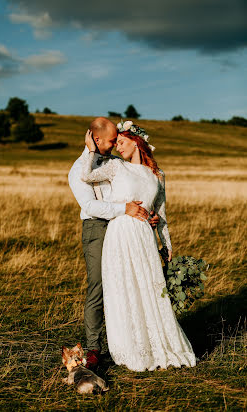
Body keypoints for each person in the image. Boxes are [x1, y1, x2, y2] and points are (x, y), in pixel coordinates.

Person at [80, 119, 196, 371]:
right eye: (116, 142)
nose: (118, 148)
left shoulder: (158, 175)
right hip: (119, 233)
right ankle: (129, 346)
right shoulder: (116, 168)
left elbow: (161, 213)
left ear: (136, 142)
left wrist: (166, 245)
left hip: (143, 236)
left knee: (149, 287)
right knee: (123, 289)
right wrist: (90, 149)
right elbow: (86, 175)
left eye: (122, 142)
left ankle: (157, 343)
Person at [68, 117, 160, 370]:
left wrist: (145, 214)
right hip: (98, 228)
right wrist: (125, 209)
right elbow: (90, 205)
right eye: (111, 140)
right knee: (98, 286)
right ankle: (95, 347)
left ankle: (134, 341)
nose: (115, 144)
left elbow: (134, 191)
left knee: (130, 283)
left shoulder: (117, 163)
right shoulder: (78, 169)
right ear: (96, 140)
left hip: (125, 228)